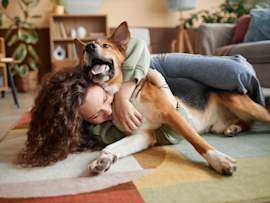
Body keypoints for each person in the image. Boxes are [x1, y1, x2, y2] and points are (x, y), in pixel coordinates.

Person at [18, 38, 265, 167]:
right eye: (95, 115)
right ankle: (241, 124)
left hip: (152, 65)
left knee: (238, 75)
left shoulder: (104, 71)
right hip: (198, 113)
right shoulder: (89, 104)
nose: (107, 108)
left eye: (105, 100)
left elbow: (135, 45)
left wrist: (124, 94)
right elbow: (150, 136)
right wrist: (110, 153)